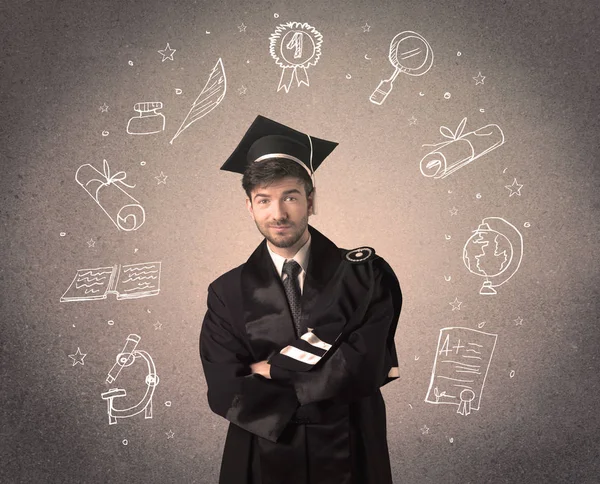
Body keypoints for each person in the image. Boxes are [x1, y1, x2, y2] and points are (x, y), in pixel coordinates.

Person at [200, 115, 403, 484]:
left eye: (290, 197)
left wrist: (271, 371)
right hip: (261, 455)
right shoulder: (226, 292)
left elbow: (363, 365)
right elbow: (224, 389)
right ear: (249, 206)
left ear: (311, 201)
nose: (277, 214)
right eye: (264, 200)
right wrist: (317, 384)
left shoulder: (363, 274)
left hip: (351, 446)